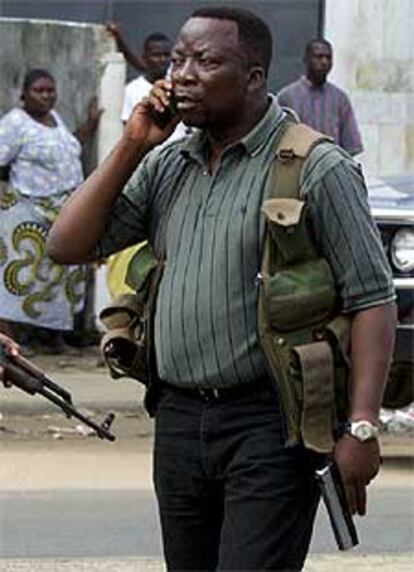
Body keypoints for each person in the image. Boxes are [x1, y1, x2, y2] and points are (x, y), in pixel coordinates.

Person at [48, 7, 396, 570]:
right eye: (180, 59)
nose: (182, 74)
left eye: (207, 62)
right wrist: (133, 142)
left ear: (254, 77)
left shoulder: (317, 167)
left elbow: (371, 299)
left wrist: (361, 424)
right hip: (180, 421)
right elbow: (67, 245)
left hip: (271, 422)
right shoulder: (168, 165)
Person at [0, 68, 101, 353]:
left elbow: (67, 146)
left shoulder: (55, 120)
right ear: (23, 95)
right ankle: (9, 340)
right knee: (18, 276)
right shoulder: (14, 123)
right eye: (39, 91)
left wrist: (91, 125)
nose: (46, 96)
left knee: (62, 275)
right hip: (27, 213)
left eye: (50, 90)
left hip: (63, 212)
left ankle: (54, 338)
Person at [278, 38, 363, 156]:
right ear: (306, 60)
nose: (324, 62)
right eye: (318, 57)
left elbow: (351, 145)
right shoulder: (287, 97)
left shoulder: (340, 99)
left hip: (330, 168)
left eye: (328, 57)